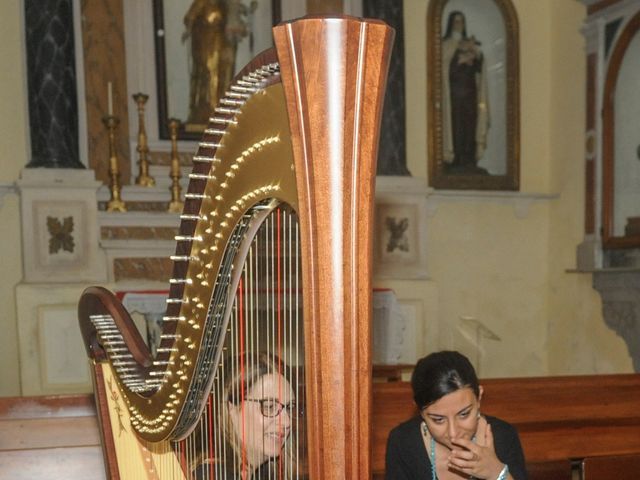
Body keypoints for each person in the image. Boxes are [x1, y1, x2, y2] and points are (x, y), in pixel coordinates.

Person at [385, 351, 527, 479]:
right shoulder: (403, 442)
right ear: (420, 411)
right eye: (438, 420)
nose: (453, 434)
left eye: (464, 414)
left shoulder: (503, 436)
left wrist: (497, 473)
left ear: (479, 398)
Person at [192, 352, 301, 479]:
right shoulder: (212, 475)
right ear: (231, 409)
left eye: (289, 408)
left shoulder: (264, 473)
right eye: (269, 406)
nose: (286, 422)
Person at [182, 0, 254, 127]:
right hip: (207, 42)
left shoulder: (225, 3)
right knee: (208, 73)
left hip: (222, 44)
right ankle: (207, 109)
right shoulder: (202, 2)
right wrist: (195, 27)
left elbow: (237, 17)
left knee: (224, 75)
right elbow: (189, 18)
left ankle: (221, 110)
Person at [441, 11, 490, 175]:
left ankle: (469, 160)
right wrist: (459, 59)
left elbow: (479, 69)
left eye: (461, 21)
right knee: (456, 127)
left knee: (470, 127)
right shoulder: (446, 45)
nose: (459, 24)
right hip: (454, 98)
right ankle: (456, 160)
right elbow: (445, 69)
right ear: (450, 23)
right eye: (456, 21)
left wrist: (475, 56)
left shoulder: (469, 43)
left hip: (470, 96)